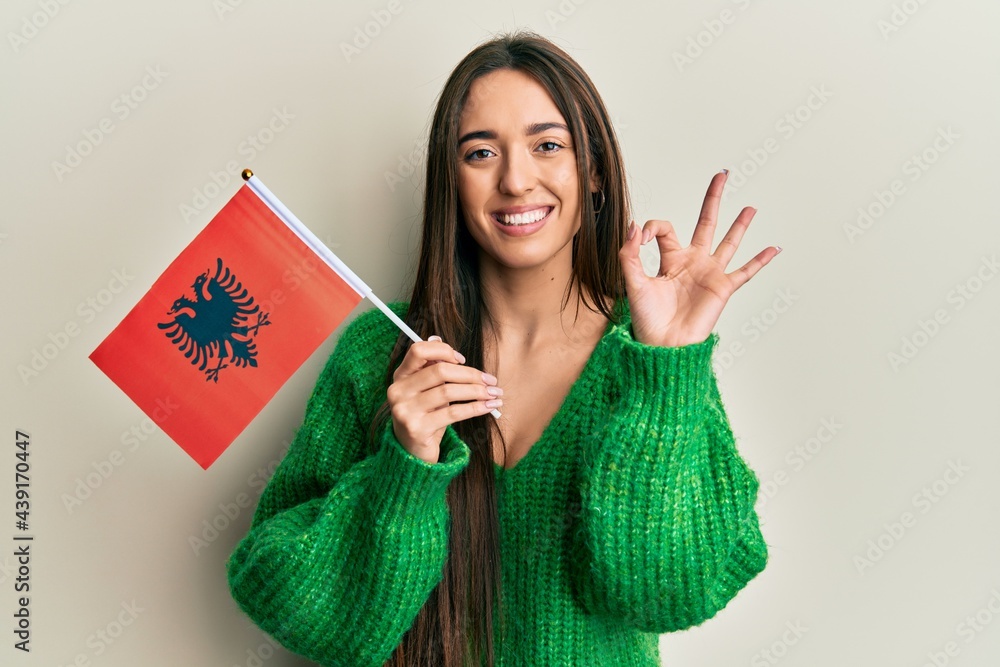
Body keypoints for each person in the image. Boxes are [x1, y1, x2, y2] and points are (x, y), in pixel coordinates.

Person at [227, 30, 778, 667]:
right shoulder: (378, 351)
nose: (517, 180)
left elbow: (662, 594)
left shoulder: (647, 360)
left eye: (548, 145)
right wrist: (404, 468)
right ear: (451, 182)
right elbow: (296, 607)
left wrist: (668, 371)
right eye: (481, 153)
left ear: (592, 170)